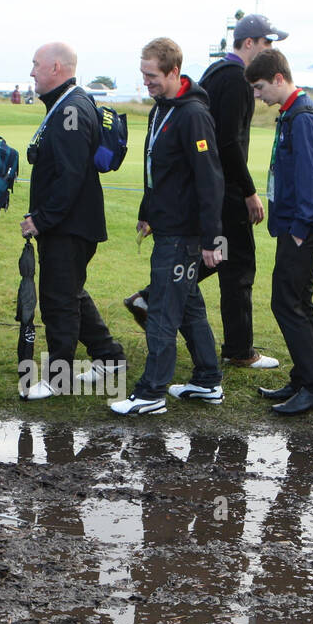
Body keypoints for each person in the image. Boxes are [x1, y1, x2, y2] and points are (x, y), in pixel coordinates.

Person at [124, 13, 283, 371]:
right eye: (266, 43)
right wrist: (248, 191)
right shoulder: (237, 80)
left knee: (206, 263)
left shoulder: (213, 74)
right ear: (248, 44)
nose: (270, 50)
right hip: (221, 193)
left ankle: (207, 366)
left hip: (206, 194)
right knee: (237, 265)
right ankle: (238, 350)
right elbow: (227, 144)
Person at [110, 38, 224, 416]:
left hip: (183, 233)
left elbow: (210, 180)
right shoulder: (162, 109)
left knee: (161, 308)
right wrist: (147, 211)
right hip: (166, 226)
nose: (147, 82)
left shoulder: (193, 115)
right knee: (189, 306)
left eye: (153, 75)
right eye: (143, 75)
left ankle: (150, 393)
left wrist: (211, 239)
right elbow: (155, 168)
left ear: (174, 72)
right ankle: (208, 380)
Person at [19, 41, 127, 400]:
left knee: (59, 300)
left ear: (55, 68)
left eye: (36, 65)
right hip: (71, 223)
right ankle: (110, 358)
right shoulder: (67, 105)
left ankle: (57, 378)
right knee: (70, 292)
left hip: (70, 225)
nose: (31, 72)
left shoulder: (71, 110)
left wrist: (42, 219)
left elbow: (70, 176)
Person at [245, 48, 313, 415]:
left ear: (279, 79)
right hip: (298, 224)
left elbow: (310, 180)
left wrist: (300, 229)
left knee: (285, 302)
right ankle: (304, 378)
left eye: (260, 87)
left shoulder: (303, 118)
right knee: (300, 301)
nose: (257, 95)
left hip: (304, 226)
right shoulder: (292, 114)